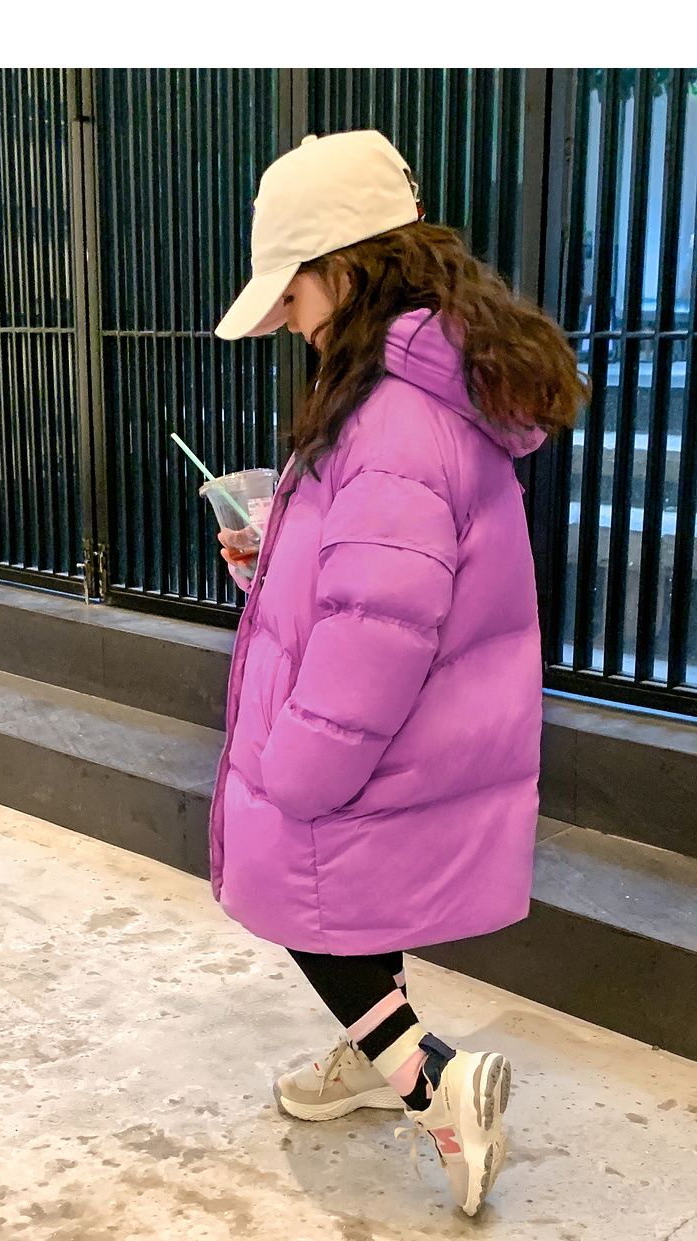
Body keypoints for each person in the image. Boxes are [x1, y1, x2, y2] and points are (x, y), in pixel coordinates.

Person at [210, 130, 589, 1217]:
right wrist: (276, 553)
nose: (288, 319)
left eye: (292, 292)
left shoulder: (391, 414)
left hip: (371, 727)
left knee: (295, 883)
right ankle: (377, 1054)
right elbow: (378, 570)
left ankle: (431, 1081)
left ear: (348, 268)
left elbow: (380, 624)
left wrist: (298, 765)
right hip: (414, 724)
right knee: (348, 900)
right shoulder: (414, 385)